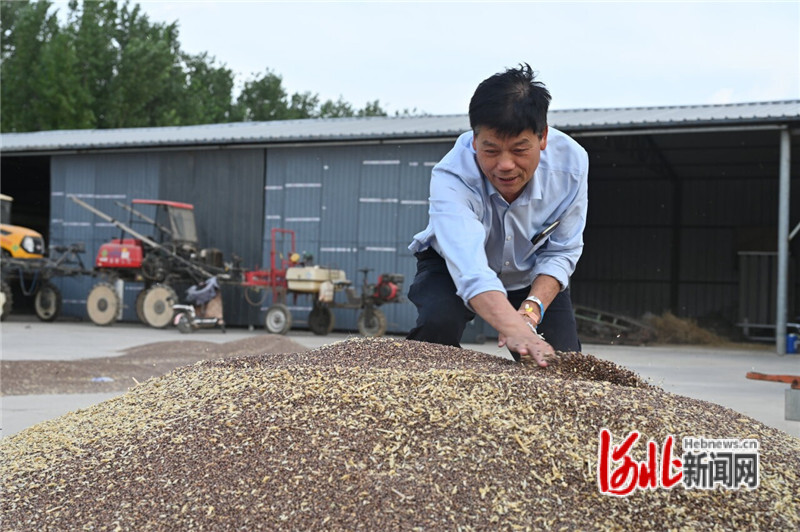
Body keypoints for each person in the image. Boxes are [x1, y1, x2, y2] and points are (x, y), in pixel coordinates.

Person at [406, 64, 588, 367]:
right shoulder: (452, 176)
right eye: (490, 150)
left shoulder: (571, 166)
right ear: (474, 140)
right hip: (451, 268)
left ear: (543, 137)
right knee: (438, 324)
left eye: (519, 150)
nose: (505, 165)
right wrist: (513, 327)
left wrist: (530, 311)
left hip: (530, 274)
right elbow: (469, 268)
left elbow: (561, 251)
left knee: (560, 364)